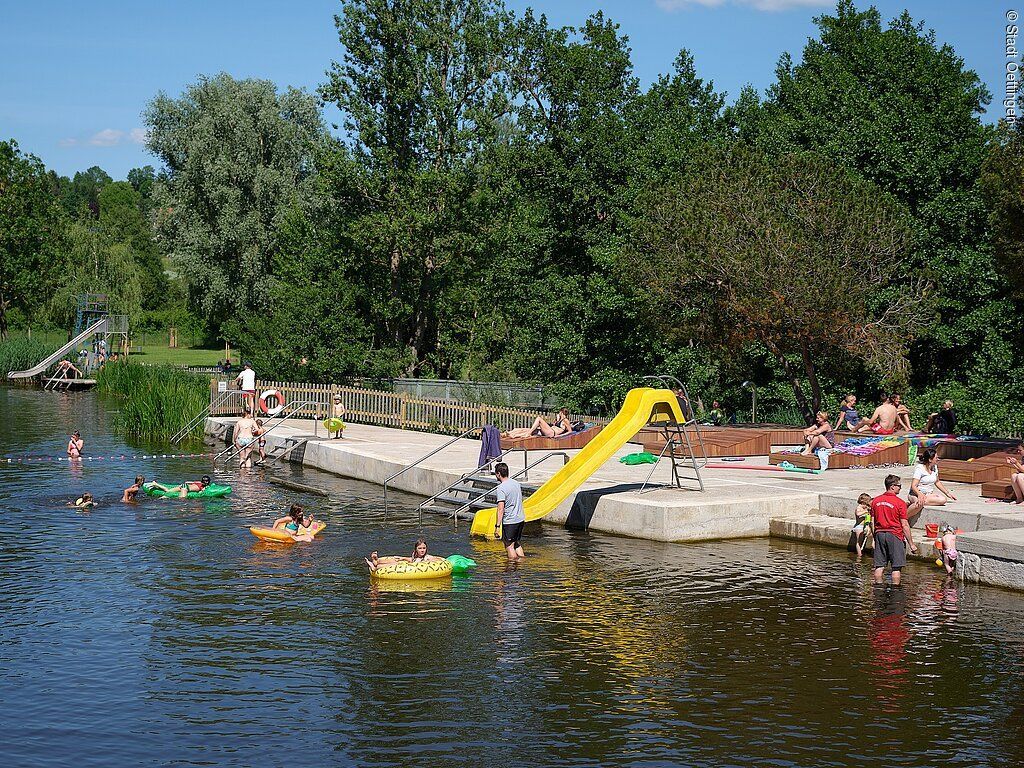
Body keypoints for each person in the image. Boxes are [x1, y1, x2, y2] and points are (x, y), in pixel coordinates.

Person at [870, 474, 918, 585]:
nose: (900, 488)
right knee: (896, 568)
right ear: (892, 486)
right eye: (899, 486)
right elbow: (905, 525)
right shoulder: (900, 503)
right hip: (895, 536)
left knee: (879, 566)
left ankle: (878, 590)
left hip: (879, 534)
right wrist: (911, 544)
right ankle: (896, 592)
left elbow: (872, 522)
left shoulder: (876, 501)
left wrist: (875, 537)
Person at [907, 448, 956, 515]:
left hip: (927, 495)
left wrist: (947, 493)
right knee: (919, 504)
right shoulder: (920, 468)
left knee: (943, 499)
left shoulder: (935, 468)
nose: (938, 459)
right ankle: (904, 519)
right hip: (915, 494)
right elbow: (914, 486)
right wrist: (919, 494)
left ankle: (913, 503)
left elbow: (937, 482)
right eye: (936, 458)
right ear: (930, 459)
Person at [493, 462, 526, 561]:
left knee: (509, 546)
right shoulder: (516, 483)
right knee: (516, 543)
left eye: (496, 474)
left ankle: (512, 569)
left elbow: (500, 509)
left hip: (510, 522)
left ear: (498, 474)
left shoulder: (501, 488)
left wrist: (497, 527)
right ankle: (522, 564)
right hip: (520, 519)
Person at [364, 540, 443, 571]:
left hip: (411, 569)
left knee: (395, 564)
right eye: (420, 548)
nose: (422, 550)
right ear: (416, 549)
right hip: (409, 565)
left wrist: (428, 562)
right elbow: (411, 560)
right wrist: (402, 558)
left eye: (424, 548)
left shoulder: (427, 557)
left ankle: (375, 567)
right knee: (396, 559)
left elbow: (437, 560)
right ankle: (376, 560)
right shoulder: (415, 556)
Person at [502, 408, 571, 440]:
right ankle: (511, 434)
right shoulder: (559, 420)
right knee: (524, 429)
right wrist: (556, 420)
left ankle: (528, 433)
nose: (558, 413)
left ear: (561, 412)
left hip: (552, 433)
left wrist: (559, 436)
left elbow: (570, 431)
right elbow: (553, 425)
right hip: (549, 431)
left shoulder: (565, 420)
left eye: (559, 412)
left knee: (539, 419)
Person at [853, 492, 873, 560]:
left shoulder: (866, 508)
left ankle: (872, 550)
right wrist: (866, 512)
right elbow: (858, 514)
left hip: (866, 526)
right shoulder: (859, 508)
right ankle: (859, 555)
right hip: (859, 526)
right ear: (863, 502)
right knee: (859, 541)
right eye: (866, 504)